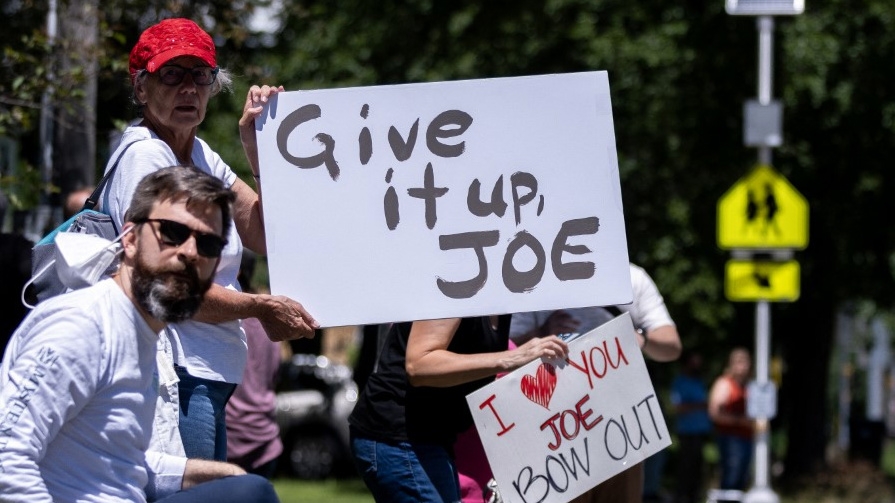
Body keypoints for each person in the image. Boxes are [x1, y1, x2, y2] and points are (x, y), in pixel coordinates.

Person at [100, 18, 318, 461]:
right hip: (169, 375)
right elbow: (167, 287)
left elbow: (262, 232)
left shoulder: (199, 153)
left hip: (203, 375)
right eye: (172, 74)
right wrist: (260, 307)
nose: (188, 88)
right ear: (141, 88)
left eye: (200, 75)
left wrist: (258, 149)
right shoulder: (147, 155)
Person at [0, 167, 279, 503]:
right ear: (130, 238)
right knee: (251, 495)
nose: (190, 252)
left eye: (207, 243)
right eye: (173, 232)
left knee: (241, 488)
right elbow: (6, 456)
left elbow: (123, 464)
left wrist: (220, 473)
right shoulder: (83, 326)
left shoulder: (145, 334)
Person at [509, 262, 682, 503]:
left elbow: (671, 347)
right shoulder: (537, 277)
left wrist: (636, 338)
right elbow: (507, 350)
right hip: (557, 425)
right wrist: (541, 332)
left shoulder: (632, 277)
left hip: (621, 421)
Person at [348, 316, 569, 503]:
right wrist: (512, 358)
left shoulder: (500, 299)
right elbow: (419, 365)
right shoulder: (459, 281)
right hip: (396, 437)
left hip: (432, 439)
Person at [225, 250, 285, 477]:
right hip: (265, 437)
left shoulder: (227, 320)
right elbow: (274, 374)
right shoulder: (268, 321)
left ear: (236, 271)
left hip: (232, 438)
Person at [708, 347, 754, 495]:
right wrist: (739, 421)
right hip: (730, 438)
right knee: (731, 478)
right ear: (731, 364)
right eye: (738, 362)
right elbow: (715, 412)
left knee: (743, 478)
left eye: (744, 362)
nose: (741, 366)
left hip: (748, 436)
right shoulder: (724, 383)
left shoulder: (749, 385)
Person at [670, 350, 713, 503]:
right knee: (685, 466)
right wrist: (699, 405)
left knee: (697, 466)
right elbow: (678, 407)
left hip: (700, 431)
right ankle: (681, 495)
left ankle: (694, 495)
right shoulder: (680, 381)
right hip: (686, 431)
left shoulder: (698, 380)